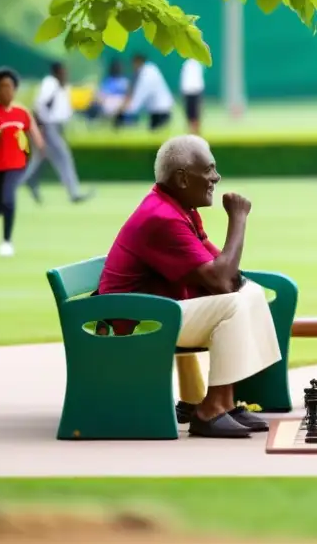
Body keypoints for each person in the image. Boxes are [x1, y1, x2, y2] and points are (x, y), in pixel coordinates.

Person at [97, 135, 282, 439]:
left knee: (251, 292)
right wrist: (238, 219)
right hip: (136, 320)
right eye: (209, 169)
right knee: (233, 303)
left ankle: (224, 401)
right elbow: (222, 280)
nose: (216, 177)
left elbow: (222, 271)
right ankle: (208, 412)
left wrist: (235, 281)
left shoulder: (181, 209)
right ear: (182, 178)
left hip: (157, 311)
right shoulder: (162, 217)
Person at [0, 67, 44, 257]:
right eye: (2, 87)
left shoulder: (22, 113)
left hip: (16, 164)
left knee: (9, 199)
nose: (7, 91)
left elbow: (34, 134)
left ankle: (6, 241)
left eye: (10, 86)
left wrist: (38, 147)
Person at [22, 61, 93, 204]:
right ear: (57, 72)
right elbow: (39, 105)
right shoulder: (50, 84)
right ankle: (74, 193)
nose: (66, 74)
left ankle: (25, 181)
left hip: (56, 127)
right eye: (63, 71)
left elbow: (63, 109)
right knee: (63, 157)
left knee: (40, 159)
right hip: (48, 127)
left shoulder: (62, 86)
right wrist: (40, 127)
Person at [121, 54, 174, 130]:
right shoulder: (150, 69)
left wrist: (127, 109)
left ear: (137, 62)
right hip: (160, 108)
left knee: (156, 131)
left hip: (160, 111)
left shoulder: (146, 74)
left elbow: (140, 94)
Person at [180, 58, 205, 134]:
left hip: (195, 91)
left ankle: (195, 131)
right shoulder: (187, 64)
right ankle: (191, 131)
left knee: (196, 113)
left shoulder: (197, 64)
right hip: (188, 91)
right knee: (189, 113)